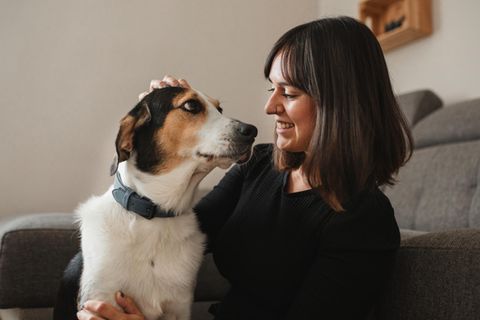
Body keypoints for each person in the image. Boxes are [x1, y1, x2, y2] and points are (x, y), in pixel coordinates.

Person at [77, 16, 412, 320]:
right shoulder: (260, 165)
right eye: (272, 88)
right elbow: (180, 232)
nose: (269, 106)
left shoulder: (364, 221)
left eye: (289, 93)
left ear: (340, 104)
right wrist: (163, 119)